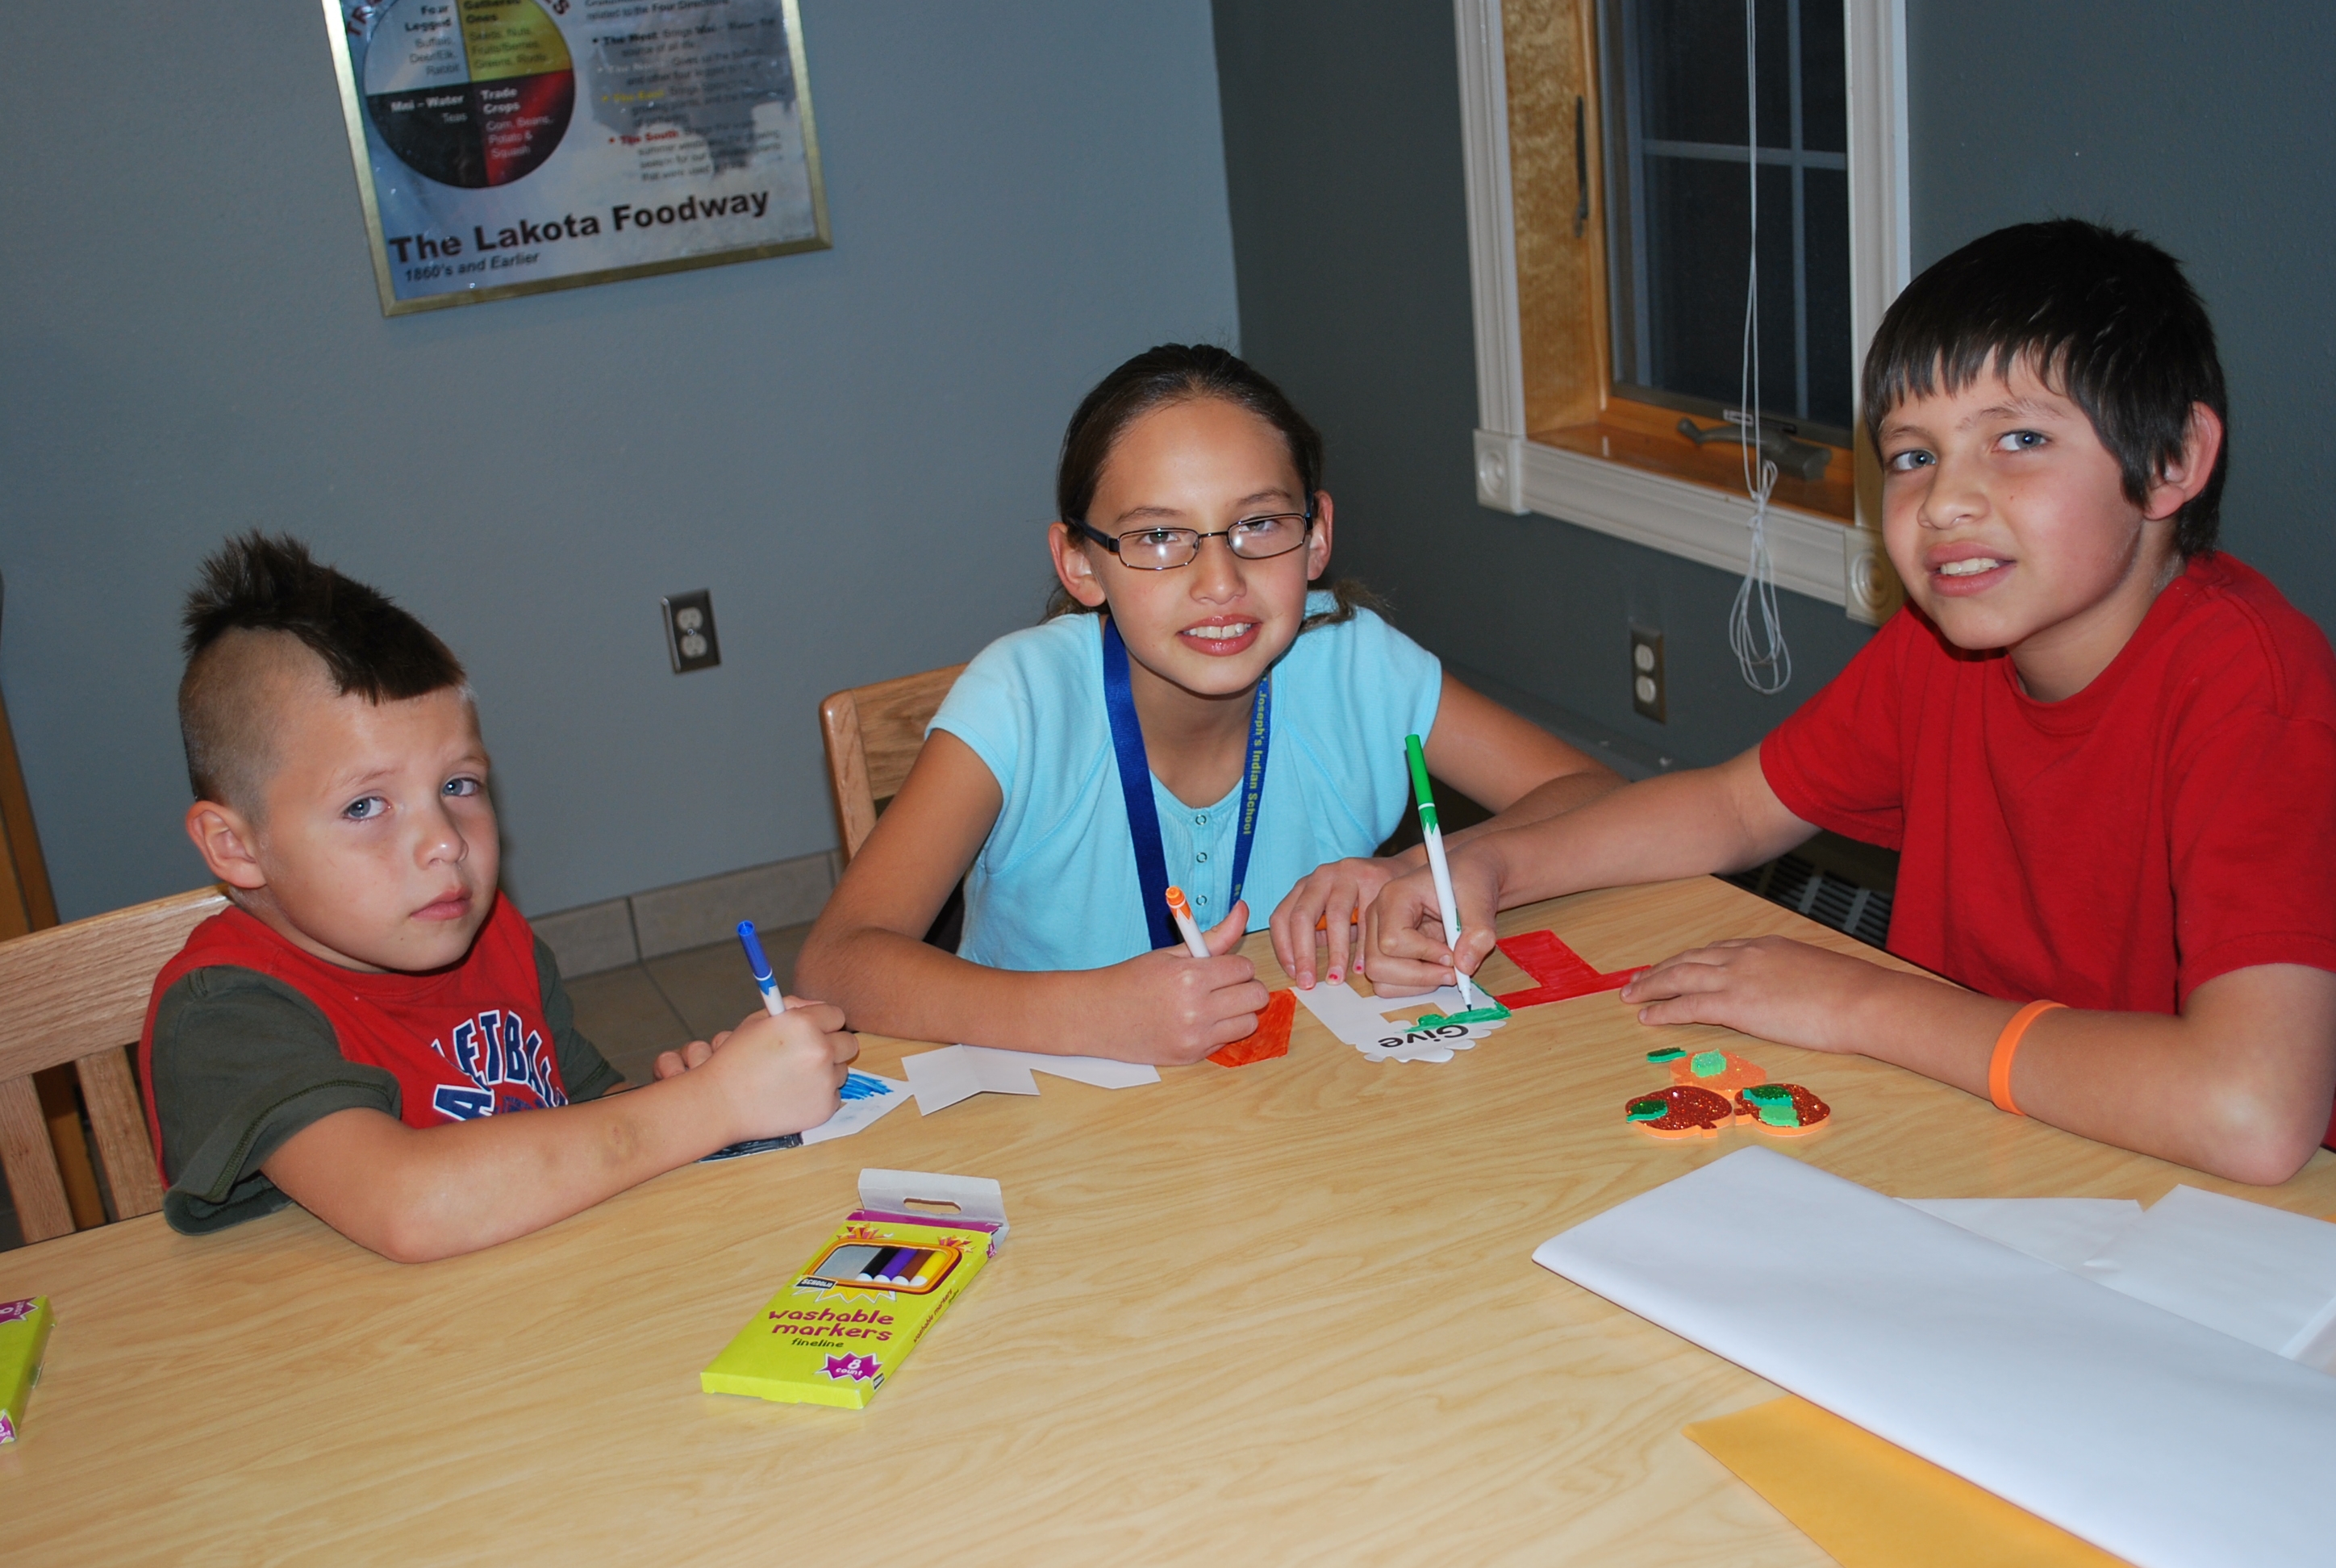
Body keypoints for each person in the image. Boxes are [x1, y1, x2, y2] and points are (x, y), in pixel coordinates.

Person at [1368, 221, 2336, 1185]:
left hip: (2191, 1207)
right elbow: (1734, 806)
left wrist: (1863, 1004)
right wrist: (1487, 864)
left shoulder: (2254, 691)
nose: (1946, 502)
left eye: (2020, 439)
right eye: (1913, 457)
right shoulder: (1941, 648)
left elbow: (2250, 1111)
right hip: (1973, 1136)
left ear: (2169, 460)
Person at [796, 344, 1621, 1062]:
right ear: (1081, 564)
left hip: (1297, 1108)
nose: (1220, 582)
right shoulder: (1023, 701)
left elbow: (1595, 800)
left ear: (1317, 536)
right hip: (1056, 1125)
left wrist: (1410, 872)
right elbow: (837, 964)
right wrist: (1093, 1013)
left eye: (1258, 524)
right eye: (1159, 537)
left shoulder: (1356, 663)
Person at [141, 533, 857, 1261]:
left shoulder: (492, 937)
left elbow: (585, 1105)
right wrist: (708, 1106)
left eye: (458, 786)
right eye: (365, 806)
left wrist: (699, 1097)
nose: (445, 841)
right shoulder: (226, 1011)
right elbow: (408, 1206)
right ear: (236, 847)